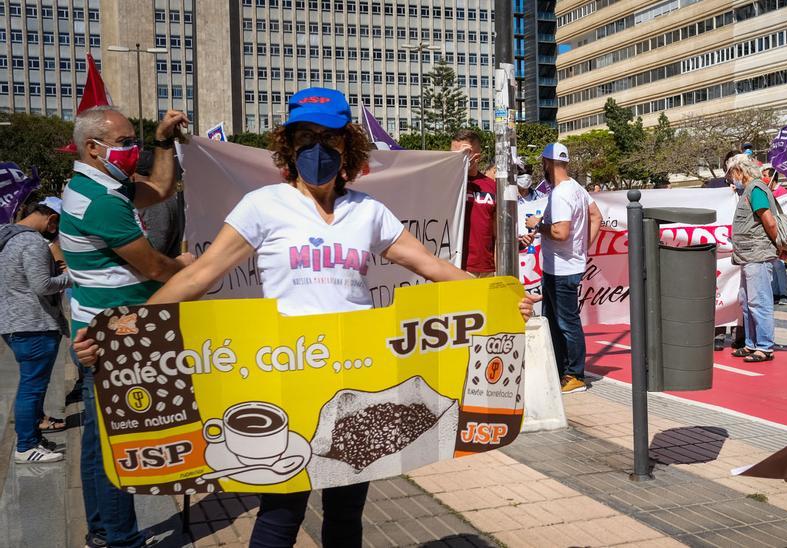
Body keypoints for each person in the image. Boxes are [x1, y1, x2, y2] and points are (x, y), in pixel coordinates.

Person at [76, 88, 536, 547]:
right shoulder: (264, 205)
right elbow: (199, 277)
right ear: (289, 146)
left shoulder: (368, 211)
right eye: (305, 137)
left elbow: (432, 266)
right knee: (280, 514)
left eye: (330, 138)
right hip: (287, 376)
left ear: (347, 146)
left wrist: (497, 299)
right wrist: (123, 330)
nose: (317, 149)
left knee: (346, 512)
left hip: (356, 379)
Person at [64, 105, 192, 548]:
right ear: (92, 148)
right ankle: (120, 539)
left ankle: (104, 531)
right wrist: (189, 266)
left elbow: (160, 187)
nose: (131, 150)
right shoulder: (101, 201)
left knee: (100, 445)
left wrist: (163, 141)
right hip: (115, 335)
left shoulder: (102, 186)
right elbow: (156, 266)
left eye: (134, 140)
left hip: (108, 327)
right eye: (123, 143)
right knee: (120, 443)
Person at [522, 143, 600, 394]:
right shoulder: (576, 188)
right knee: (555, 321)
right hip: (565, 265)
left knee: (566, 322)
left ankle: (575, 374)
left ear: (546, 162)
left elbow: (560, 231)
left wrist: (538, 225)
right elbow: (596, 216)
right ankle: (560, 371)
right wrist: (584, 247)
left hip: (562, 269)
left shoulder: (561, 194)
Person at [1, 197, 72, 463]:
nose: (53, 232)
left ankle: (31, 437)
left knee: (30, 384)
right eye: (55, 227)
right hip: (34, 323)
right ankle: (26, 446)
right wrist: (74, 275)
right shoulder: (31, 242)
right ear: (51, 219)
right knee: (32, 386)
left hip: (13, 322)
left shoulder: (5, 235)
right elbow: (43, 285)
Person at [728, 153, 787, 362]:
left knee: (758, 300)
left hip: (757, 253)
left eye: (731, 173)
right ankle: (752, 344)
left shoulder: (756, 189)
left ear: (739, 171)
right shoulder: (750, 190)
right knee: (747, 300)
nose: (730, 179)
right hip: (749, 254)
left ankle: (764, 346)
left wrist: (777, 245)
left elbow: (769, 222)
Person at [452, 129, 497, 277]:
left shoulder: (492, 186)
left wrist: (498, 268)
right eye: (453, 153)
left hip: (487, 268)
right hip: (455, 266)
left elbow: (496, 232)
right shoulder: (447, 184)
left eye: (463, 153)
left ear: (476, 157)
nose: (456, 157)